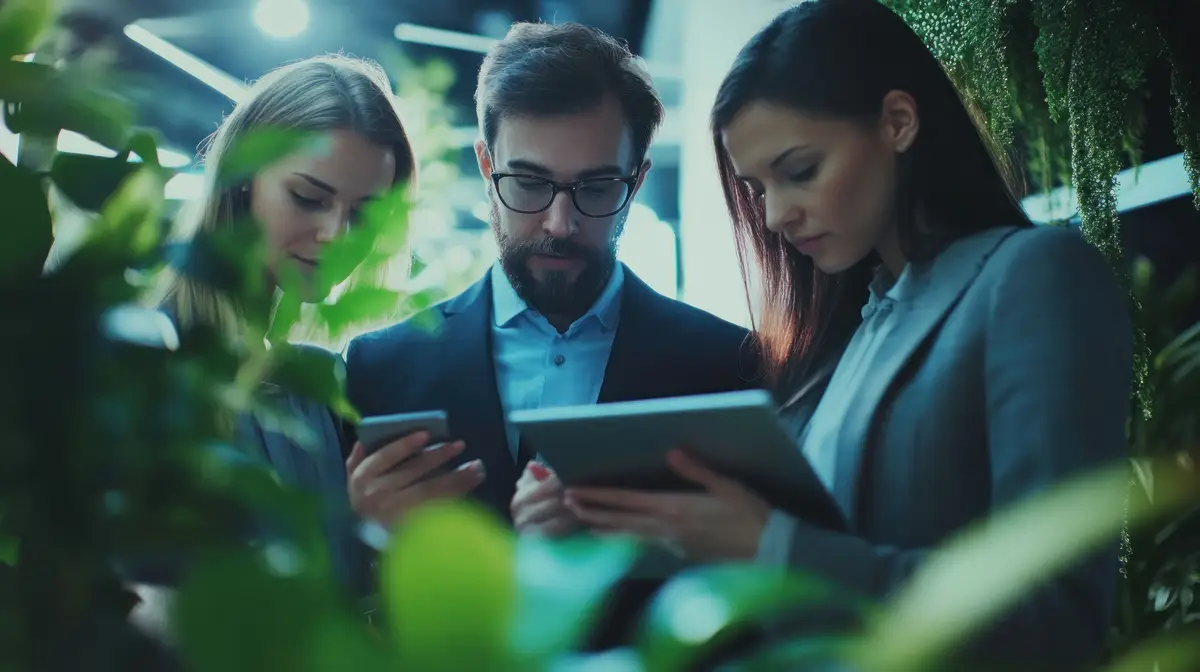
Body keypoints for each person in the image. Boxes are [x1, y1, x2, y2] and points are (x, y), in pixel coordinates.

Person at [562, 0, 1132, 667]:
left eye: (799, 171)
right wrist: (617, 517)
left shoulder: (1033, 278)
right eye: (756, 188)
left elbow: (1056, 617)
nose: (774, 215)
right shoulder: (842, 345)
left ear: (898, 122)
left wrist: (773, 546)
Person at [342, 21, 758, 645]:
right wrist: (362, 534)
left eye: (596, 188)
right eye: (530, 183)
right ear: (486, 166)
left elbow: (747, 594)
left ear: (637, 181)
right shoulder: (380, 367)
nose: (560, 224)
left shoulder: (727, 364)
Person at [149, 54, 416, 597]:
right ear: (242, 182)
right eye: (308, 198)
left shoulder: (317, 386)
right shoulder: (149, 359)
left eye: (364, 214)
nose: (336, 235)